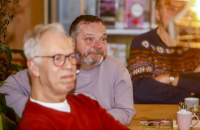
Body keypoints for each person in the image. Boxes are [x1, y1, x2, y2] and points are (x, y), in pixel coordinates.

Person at [0, 15, 135, 125]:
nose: (99, 46)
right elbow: (5, 90)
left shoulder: (117, 70)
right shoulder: (51, 66)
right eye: (89, 39)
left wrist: (82, 120)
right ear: (72, 42)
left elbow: (126, 112)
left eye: (103, 39)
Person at [127, 0, 200, 104]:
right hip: (150, 118)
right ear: (158, 14)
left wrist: (169, 78)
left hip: (191, 120)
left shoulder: (196, 44)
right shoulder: (143, 43)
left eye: (181, 10)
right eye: (170, 9)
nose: (176, 16)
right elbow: (140, 90)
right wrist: (189, 93)